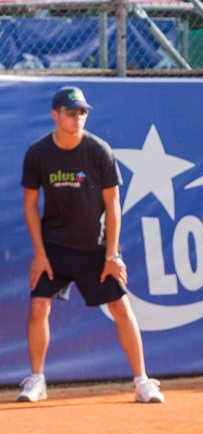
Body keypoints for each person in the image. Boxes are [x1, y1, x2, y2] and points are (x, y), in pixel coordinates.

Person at [18, 86, 164, 403]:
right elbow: (30, 205)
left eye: (82, 112)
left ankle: (142, 381)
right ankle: (37, 381)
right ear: (54, 115)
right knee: (38, 306)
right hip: (54, 245)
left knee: (120, 307)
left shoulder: (99, 150)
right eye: (71, 112)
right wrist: (40, 254)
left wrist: (113, 254)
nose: (78, 117)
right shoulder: (38, 154)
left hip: (96, 248)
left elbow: (113, 205)